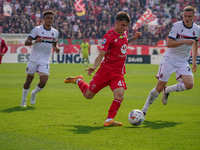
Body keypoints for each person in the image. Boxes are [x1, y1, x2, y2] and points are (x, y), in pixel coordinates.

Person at [64, 12, 142, 126]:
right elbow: (101, 54)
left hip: (118, 72)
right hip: (105, 71)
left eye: (126, 26)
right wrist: (94, 67)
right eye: (123, 25)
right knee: (88, 95)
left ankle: (109, 119)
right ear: (116, 23)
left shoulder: (124, 33)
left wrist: (133, 38)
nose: (125, 28)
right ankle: (78, 80)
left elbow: (123, 43)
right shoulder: (109, 36)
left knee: (120, 95)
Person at [142, 6, 200, 117]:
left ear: (194, 17)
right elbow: (169, 43)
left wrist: (194, 61)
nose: (187, 19)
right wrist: (184, 41)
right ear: (182, 15)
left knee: (189, 84)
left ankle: (168, 90)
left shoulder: (197, 29)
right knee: (159, 87)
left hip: (183, 61)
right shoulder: (177, 26)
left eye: (189, 16)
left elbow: (195, 43)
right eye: (185, 16)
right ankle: (144, 111)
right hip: (170, 59)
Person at [20, 10, 60, 107]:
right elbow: (26, 42)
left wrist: (56, 48)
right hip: (33, 60)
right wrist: (34, 41)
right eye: (47, 18)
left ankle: (33, 93)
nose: (49, 20)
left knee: (43, 82)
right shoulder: (37, 29)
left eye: (51, 18)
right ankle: (23, 100)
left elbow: (54, 44)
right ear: (43, 19)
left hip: (44, 61)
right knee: (29, 80)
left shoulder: (55, 32)